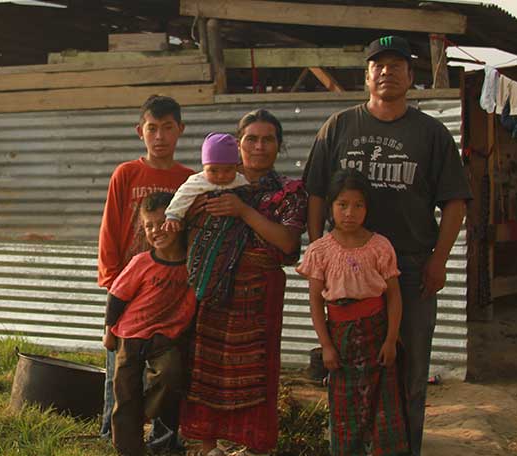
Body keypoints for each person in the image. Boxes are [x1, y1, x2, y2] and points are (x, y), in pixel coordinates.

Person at [301, 35, 471, 455]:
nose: (387, 71)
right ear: (366, 76)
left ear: (411, 77)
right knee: (345, 371)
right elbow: (316, 192)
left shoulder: (430, 133)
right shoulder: (339, 127)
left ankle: (405, 449)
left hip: (411, 269)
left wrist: (439, 261)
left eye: (397, 65)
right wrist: (317, 245)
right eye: (378, 65)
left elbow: (455, 201)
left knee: (409, 372)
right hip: (346, 273)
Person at [179, 110, 307, 456]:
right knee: (205, 366)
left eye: (268, 139)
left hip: (260, 293)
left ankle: (254, 447)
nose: (259, 146)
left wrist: (244, 211)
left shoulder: (289, 191)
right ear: (238, 145)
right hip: (212, 289)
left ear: (279, 146)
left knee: (257, 373)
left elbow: (288, 243)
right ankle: (208, 446)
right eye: (251, 138)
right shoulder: (209, 183)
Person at [97, 95, 195, 447]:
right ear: (140, 132)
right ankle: (114, 434)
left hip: (170, 293)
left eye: (168, 128)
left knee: (168, 369)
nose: (160, 136)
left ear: (180, 130)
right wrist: (111, 281)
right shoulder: (127, 174)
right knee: (119, 371)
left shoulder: (190, 179)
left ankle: (164, 437)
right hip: (129, 288)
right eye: (152, 128)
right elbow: (110, 227)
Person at [296, 169, 408, 456]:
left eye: (358, 205)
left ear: (368, 208)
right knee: (346, 410)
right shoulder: (320, 251)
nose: (350, 212)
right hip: (340, 338)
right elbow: (315, 303)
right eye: (342, 204)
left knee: (382, 408)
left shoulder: (380, 246)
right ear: (331, 206)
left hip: (377, 331)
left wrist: (391, 339)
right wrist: (327, 347)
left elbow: (394, 296)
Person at [103, 192, 196, 456]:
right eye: (149, 226)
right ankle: (129, 449)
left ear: (177, 223)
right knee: (124, 392)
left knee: (170, 375)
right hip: (130, 336)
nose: (156, 230)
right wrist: (108, 332)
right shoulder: (141, 263)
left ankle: (145, 414)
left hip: (164, 339)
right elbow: (117, 298)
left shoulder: (191, 264)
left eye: (162, 223)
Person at [163, 132, 250, 233]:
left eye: (228, 170)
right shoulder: (197, 182)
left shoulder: (241, 181)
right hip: (200, 232)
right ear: (204, 167)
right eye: (213, 170)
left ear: (236, 167)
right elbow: (183, 196)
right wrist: (173, 216)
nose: (221, 176)